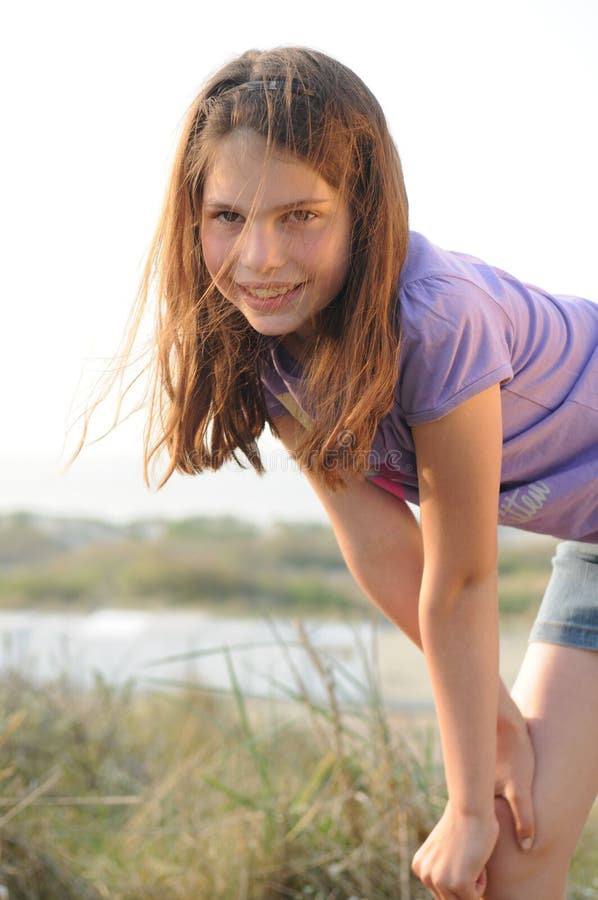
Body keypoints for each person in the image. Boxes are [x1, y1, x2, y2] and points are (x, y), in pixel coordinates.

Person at [74, 47, 598, 898]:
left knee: (486, 829)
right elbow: (388, 548)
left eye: (299, 216)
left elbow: (462, 576)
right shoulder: (269, 348)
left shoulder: (438, 320)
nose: (259, 257)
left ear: (364, 209)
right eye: (228, 217)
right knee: (513, 864)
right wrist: (494, 721)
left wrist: (464, 802)